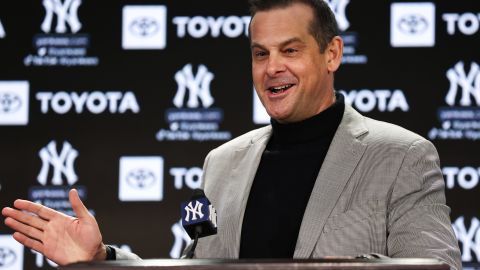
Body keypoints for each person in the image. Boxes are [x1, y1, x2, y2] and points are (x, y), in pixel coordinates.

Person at [2, 0, 461, 269]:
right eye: (260, 53)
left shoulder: (403, 155)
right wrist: (101, 258)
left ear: (333, 54)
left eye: (291, 50)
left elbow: (435, 267)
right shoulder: (221, 163)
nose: (272, 67)